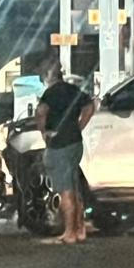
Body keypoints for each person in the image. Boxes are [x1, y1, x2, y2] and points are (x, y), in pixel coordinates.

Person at [35, 57, 97, 244]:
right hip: (75, 143)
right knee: (75, 187)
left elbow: (41, 113)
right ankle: (79, 229)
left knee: (65, 190)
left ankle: (69, 233)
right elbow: (90, 106)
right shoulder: (72, 90)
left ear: (47, 75)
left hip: (59, 144)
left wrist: (44, 132)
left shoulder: (50, 94)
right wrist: (79, 126)